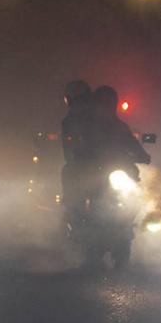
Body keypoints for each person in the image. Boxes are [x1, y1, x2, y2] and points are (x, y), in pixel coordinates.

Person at [59, 79, 93, 219]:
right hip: (82, 161)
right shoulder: (70, 119)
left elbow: (121, 135)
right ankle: (70, 206)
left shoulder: (102, 116)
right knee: (67, 171)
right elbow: (67, 145)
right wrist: (72, 158)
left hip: (104, 160)